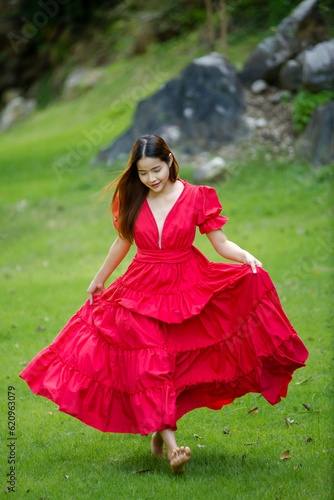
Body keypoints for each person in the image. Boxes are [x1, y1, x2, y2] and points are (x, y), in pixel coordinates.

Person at [20, 134, 309, 475]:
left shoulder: (198, 197)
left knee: (173, 365)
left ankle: (160, 433)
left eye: (156, 170)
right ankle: (173, 449)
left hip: (187, 285)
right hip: (141, 287)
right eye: (143, 173)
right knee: (150, 363)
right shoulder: (132, 196)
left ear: (170, 160)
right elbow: (123, 240)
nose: (151, 179)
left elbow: (221, 242)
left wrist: (245, 256)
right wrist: (100, 277)